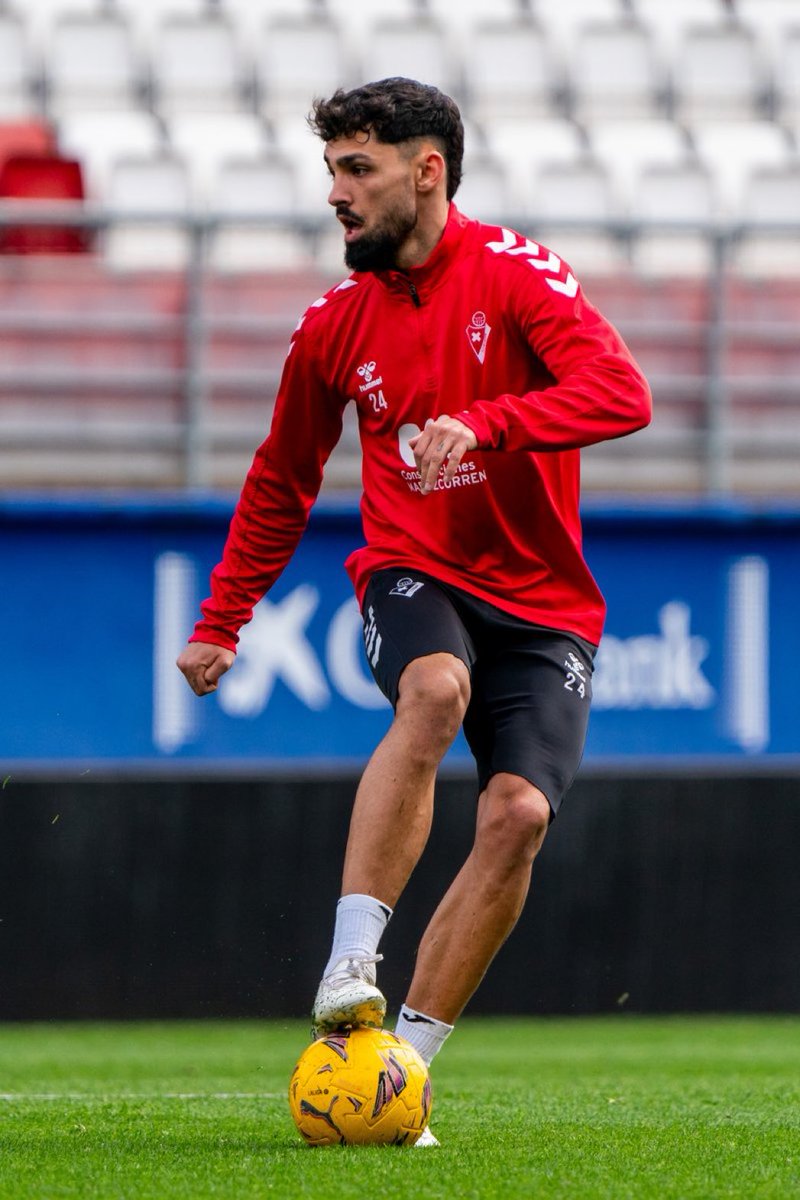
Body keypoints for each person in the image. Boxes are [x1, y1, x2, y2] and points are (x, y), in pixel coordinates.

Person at [177, 77, 651, 1146]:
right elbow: (280, 478)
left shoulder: (517, 273)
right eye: (331, 170)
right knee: (431, 689)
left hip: (544, 603)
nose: (335, 194)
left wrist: (487, 424)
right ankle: (352, 958)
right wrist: (222, 618)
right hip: (412, 566)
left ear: (425, 170)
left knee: (519, 815)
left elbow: (620, 393)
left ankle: (399, 1073)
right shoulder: (333, 326)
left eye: (357, 170)